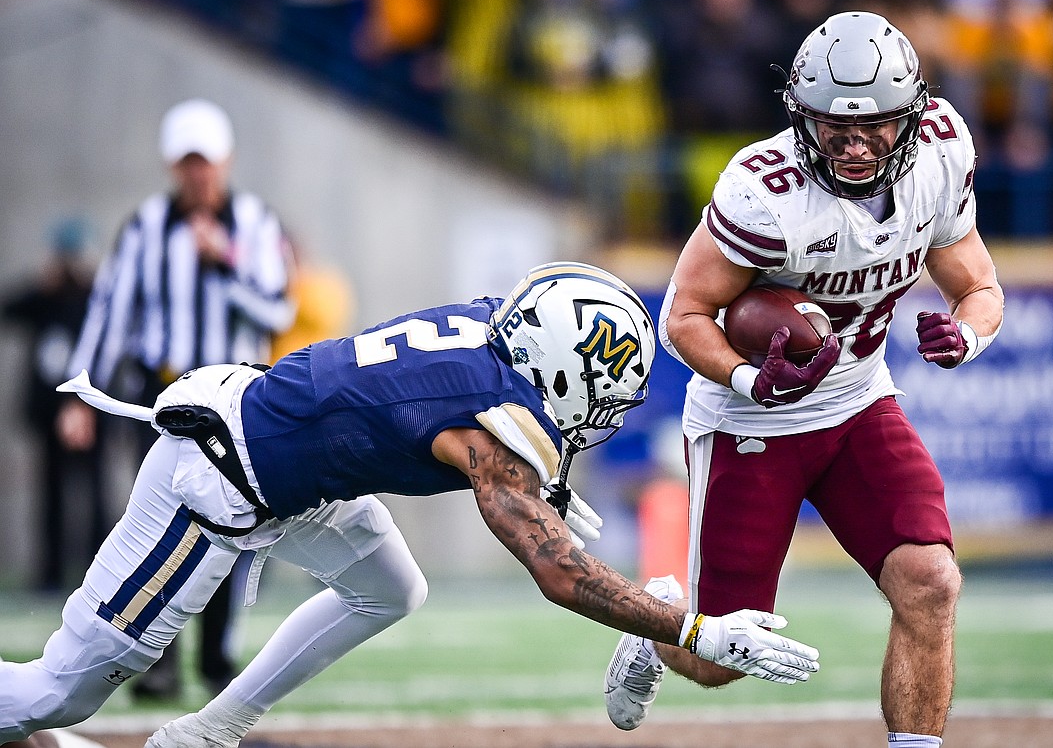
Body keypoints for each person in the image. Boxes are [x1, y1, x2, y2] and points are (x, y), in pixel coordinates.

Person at [0, 261, 821, 747]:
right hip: (217, 474)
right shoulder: (487, 429)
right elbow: (560, 572)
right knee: (59, 694)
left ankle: (210, 729)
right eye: (600, 396)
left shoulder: (488, 334)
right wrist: (691, 628)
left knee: (390, 587)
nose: (597, 418)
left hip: (287, 458)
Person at [603, 12, 1004, 748]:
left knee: (932, 581)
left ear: (912, 116)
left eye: (875, 126)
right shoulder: (766, 192)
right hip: (753, 421)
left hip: (857, 400)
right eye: (832, 127)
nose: (853, 145)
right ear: (800, 116)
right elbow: (684, 313)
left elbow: (977, 284)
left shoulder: (941, 154)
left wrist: (969, 334)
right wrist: (753, 377)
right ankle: (654, 622)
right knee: (718, 658)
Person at [55, 98, 295, 700]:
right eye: (188, 164)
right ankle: (156, 659)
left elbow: (280, 307)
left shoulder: (257, 224)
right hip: (162, 397)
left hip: (236, 402)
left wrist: (226, 264)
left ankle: (217, 658)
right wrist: (81, 395)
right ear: (172, 166)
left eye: (206, 163)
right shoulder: (144, 228)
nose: (198, 175)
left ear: (225, 162)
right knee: (156, 529)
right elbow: (110, 313)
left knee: (232, 530)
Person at [1, 218, 106, 592]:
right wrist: (42, 282)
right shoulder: (44, 296)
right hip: (48, 413)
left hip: (92, 410)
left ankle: (99, 570)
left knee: (94, 492)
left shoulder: (99, 296)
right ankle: (50, 573)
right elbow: (9, 309)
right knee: (50, 494)